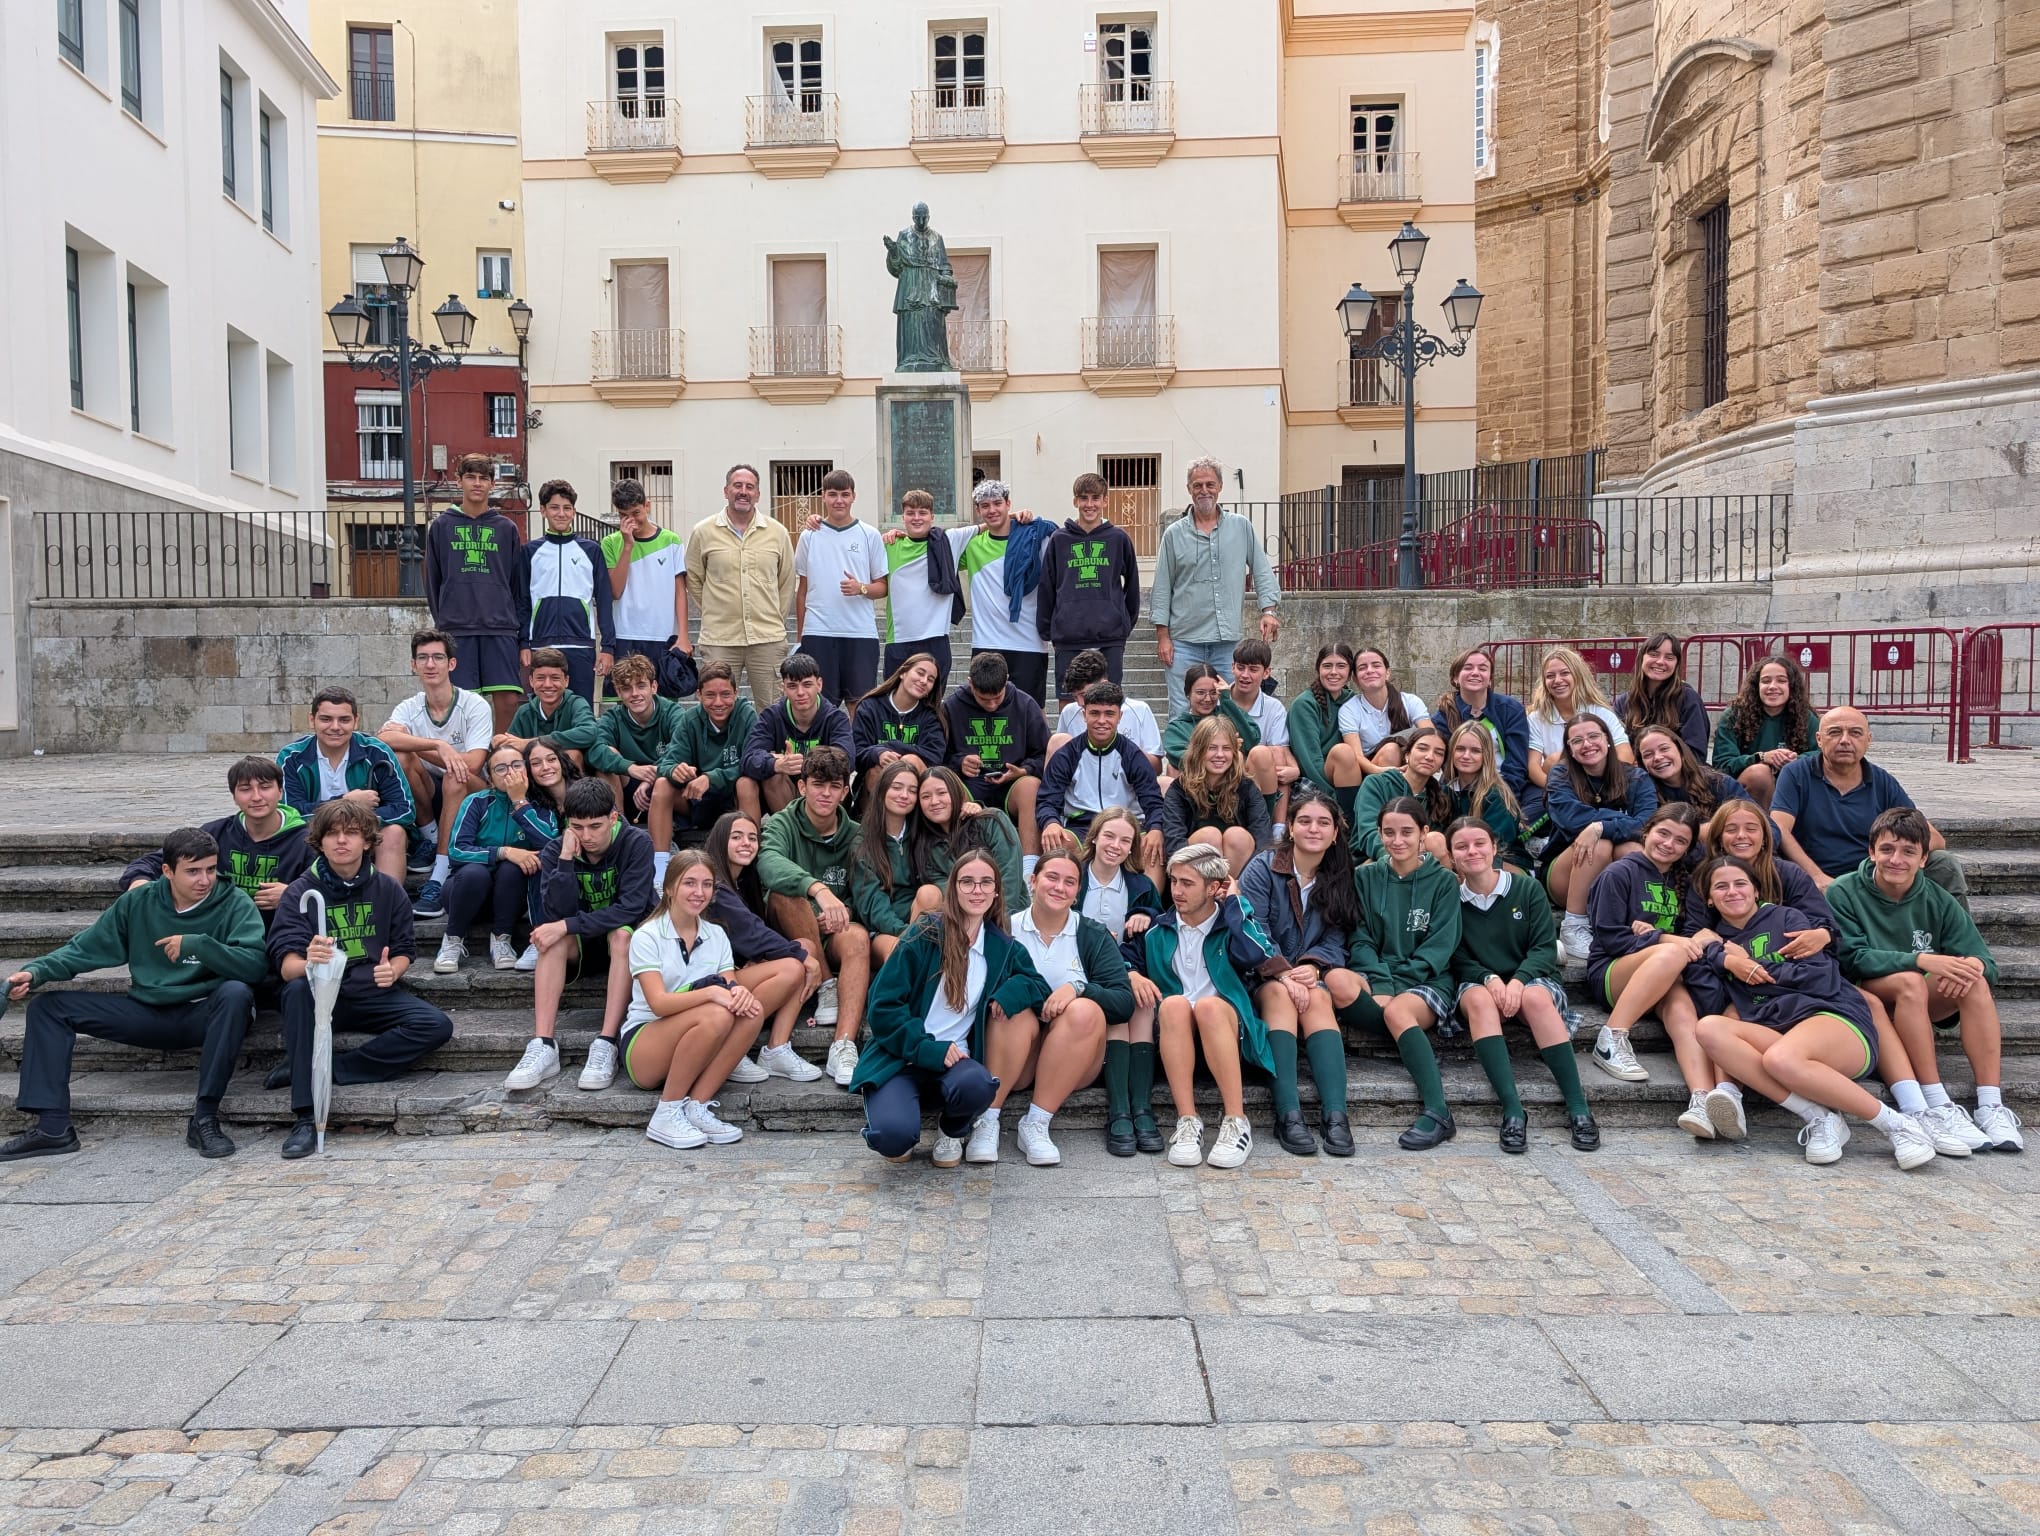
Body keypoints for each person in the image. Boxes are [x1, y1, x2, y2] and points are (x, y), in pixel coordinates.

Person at [1, 827, 264, 1163]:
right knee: (49, 1007)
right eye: (193, 871)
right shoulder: (138, 901)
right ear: (167, 871)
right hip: (147, 1013)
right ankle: (53, 1128)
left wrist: (200, 945)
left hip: (205, 1013)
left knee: (237, 993)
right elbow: (84, 949)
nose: (205, 880)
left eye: (211, 869)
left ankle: (204, 1118)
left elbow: (255, 966)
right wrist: (36, 971)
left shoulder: (234, 903)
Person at [1685, 854, 1937, 1169]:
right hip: (1778, 1034)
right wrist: (1719, 957)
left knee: (1781, 1058)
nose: (1732, 891)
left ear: (1756, 890)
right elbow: (1707, 997)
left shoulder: (1787, 919)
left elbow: (1818, 975)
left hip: (1832, 1018)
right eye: (1721, 887)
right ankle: (1820, 1117)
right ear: (1709, 898)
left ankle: (1898, 1126)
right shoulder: (1721, 945)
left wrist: (1752, 967)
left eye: (1740, 884)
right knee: (1709, 1028)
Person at [268, 801, 454, 1159]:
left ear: (368, 841)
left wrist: (394, 970)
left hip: (369, 992)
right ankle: (306, 1117)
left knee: (435, 1025)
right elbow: (286, 966)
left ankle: (329, 1068)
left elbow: (403, 950)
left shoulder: (388, 888)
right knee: (294, 991)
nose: (341, 841)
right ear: (318, 842)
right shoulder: (300, 893)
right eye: (332, 834)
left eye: (351, 833)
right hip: (320, 995)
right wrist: (309, 959)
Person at [1830, 807, 2022, 1152]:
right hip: (1865, 998)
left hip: (1918, 1003)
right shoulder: (1843, 893)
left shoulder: (1938, 898)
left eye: (1908, 852)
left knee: (1973, 981)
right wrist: (1921, 959)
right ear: (1871, 852)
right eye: (1887, 850)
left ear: (1923, 858)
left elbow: (1986, 962)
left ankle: (1991, 1104)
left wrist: (1969, 969)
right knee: (1911, 980)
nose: (1896, 860)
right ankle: (1936, 1101)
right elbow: (1852, 957)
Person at [851, 853, 1051, 1165]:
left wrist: (1009, 993)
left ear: (997, 891)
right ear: (953, 889)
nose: (977, 890)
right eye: (967, 882)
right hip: (900, 1058)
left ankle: (952, 1130)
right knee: (892, 1139)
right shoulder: (924, 934)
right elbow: (882, 1007)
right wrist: (927, 1049)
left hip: (956, 1063)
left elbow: (1038, 986)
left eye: (986, 883)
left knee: (980, 1085)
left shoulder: (1002, 946)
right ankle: (898, 1121)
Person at [1447, 815, 1600, 1153]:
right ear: (1451, 856)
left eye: (1479, 843)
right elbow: (1455, 956)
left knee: (1535, 999)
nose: (1472, 852)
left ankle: (1579, 1109)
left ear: (1494, 847)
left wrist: (1517, 981)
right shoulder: (1451, 899)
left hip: (1532, 979)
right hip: (1479, 981)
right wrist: (1488, 978)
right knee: (1479, 1000)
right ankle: (1513, 1111)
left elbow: (1544, 949)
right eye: (1461, 846)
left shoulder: (1526, 888)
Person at [624, 852, 787, 1150]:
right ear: (670, 887)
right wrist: (713, 993)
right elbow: (658, 1003)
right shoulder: (647, 935)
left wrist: (738, 991)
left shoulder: (716, 935)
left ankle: (696, 1106)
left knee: (750, 1010)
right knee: (716, 1013)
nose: (699, 893)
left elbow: (730, 982)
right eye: (689, 883)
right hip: (645, 1044)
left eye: (707, 884)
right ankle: (667, 1112)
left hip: (693, 1040)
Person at [505, 777, 656, 1094]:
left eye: (595, 826)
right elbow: (556, 913)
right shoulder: (554, 851)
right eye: (578, 827)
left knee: (622, 935)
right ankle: (543, 1044)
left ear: (613, 818)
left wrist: (566, 925)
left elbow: (630, 909)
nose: (586, 836)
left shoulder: (636, 843)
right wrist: (564, 859)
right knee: (552, 938)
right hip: (582, 948)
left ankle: (606, 1042)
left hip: (625, 948)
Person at [1579, 805, 1723, 1136]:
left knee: (1683, 1012)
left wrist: (1656, 937)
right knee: (1671, 954)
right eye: (1663, 833)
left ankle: (1701, 1100)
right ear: (1647, 832)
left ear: (1688, 848)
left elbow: (1696, 937)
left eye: (1680, 841)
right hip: (1613, 972)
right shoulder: (1618, 874)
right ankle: (1611, 1037)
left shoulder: (1686, 883)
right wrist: (1663, 940)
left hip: (1665, 973)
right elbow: (1611, 938)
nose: (1669, 844)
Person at [1235, 787, 1361, 1157]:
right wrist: (1283, 972)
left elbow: (1338, 933)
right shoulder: (1263, 867)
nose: (1314, 829)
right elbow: (1250, 928)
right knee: (1279, 995)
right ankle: (1288, 1114)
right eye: (1304, 821)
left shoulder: (1339, 873)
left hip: (1307, 975)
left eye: (1324, 823)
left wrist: (1312, 964)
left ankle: (1336, 1115)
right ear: (1290, 827)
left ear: (1336, 832)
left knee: (1320, 999)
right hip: (1259, 974)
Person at [1149, 844, 1285, 1170]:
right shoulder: (1157, 931)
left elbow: (1256, 954)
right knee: (1173, 1005)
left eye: (1187, 883)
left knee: (1208, 1006)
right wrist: (1130, 974)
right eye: (1174, 881)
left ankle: (1237, 1121)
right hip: (1176, 1034)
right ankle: (1187, 1121)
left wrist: (1235, 902)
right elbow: (1123, 962)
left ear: (1213, 888)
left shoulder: (1231, 925)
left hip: (1226, 1029)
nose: (1177, 891)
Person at [991, 850, 1130, 1165]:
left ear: (1077, 891)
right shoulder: (1005, 929)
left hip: (1071, 1057)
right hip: (1015, 1058)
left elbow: (1123, 1002)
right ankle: (988, 1117)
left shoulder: (1092, 934)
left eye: (1069, 882)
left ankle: (1037, 1123)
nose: (1059, 887)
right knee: (1009, 1005)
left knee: (1086, 1009)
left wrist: (1078, 988)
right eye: (1051, 877)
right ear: (1033, 880)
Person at [1342, 797, 1464, 1150]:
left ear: (1424, 833)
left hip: (1428, 979)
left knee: (1396, 1010)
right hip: (1377, 975)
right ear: (1379, 834)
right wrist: (1381, 982)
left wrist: (1394, 986)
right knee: (1335, 985)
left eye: (1407, 832)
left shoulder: (1443, 882)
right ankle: (1408, 1038)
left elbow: (1440, 947)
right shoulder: (1364, 876)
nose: (1398, 841)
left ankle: (1439, 1111)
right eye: (1389, 832)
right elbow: (1359, 937)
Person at [1772, 707, 1969, 907]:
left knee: (1944, 863)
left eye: (1855, 733)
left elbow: (1934, 839)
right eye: (1835, 732)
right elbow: (1779, 829)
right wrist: (1817, 877)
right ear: (1819, 739)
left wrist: (1886, 863)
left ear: (1868, 740)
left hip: (1871, 875)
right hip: (1816, 875)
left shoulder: (1882, 781)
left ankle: (1958, 935)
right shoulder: (1796, 774)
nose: (1845, 740)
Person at [759, 744, 869, 1087]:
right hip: (788, 932)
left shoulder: (856, 834)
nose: (825, 793)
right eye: (818, 784)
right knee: (787, 895)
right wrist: (818, 891)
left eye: (834, 786)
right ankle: (825, 984)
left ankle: (844, 1044)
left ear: (844, 791)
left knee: (857, 936)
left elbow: (865, 889)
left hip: (832, 931)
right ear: (802, 786)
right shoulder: (782, 823)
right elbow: (768, 864)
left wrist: (844, 909)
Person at [1151, 457, 1280, 720]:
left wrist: (1268, 609)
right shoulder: (1174, 535)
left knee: (1229, 709)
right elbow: (1162, 586)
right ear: (1189, 489)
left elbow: (1261, 568)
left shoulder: (1241, 527)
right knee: (1182, 710)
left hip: (1226, 643)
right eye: (1197, 485)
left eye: (1210, 484)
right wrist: (1162, 636)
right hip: (1184, 640)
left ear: (1220, 486)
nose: (1204, 490)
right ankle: (1184, 761)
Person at [378, 628, 494, 918]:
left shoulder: (474, 705)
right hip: (428, 793)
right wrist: (438, 746)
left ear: (451, 664)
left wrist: (427, 750)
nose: (430, 664)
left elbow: (475, 763)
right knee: (400, 756)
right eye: (423, 658)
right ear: (413, 665)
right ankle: (429, 837)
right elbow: (384, 741)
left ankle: (439, 876)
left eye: (438, 658)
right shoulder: (409, 706)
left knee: (457, 775)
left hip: (471, 794)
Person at [119, 756, 310, 932]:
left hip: (283, 932)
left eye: (265, 787)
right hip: (220, 935)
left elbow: (335, 886)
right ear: (234, 796)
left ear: (280, 791)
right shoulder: (215, 833)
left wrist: (292, 894)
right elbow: (154, 861)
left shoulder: (306, 841)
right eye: (245, 789)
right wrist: (139, 881)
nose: (256, 797)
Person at [703, 810, 823, 1083]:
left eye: (752, 837)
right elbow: (753, 932)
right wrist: (803, 957)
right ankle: (730, 1048)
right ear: (720, 841)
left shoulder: (744, 881)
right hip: (712, 980)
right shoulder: (715, 886)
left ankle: (776, 1049)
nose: (747, 843)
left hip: (737, 972)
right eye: (737, 837)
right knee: (796, 962)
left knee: (804, 946)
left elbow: (760, 931)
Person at [1079, 807, 1167, 1154]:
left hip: (1126, 969)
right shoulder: (1074, 878)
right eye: (1110, 836)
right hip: (1082, 972)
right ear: (1095, 837)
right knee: (1120, 1004)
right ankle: (1118, 1110)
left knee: (1142, 1006)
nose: (1115, 845)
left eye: (1125, 840)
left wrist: (1146, 914)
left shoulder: (1140, 885)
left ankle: (1141, 1109)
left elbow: (1160, 928)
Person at [1546, 715, 1659, 972]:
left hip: (1613, 873)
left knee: (1632, 849)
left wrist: (1600, 826)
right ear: (1570, 750)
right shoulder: (1561, 775)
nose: (1587, 744)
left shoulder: (1636, 778)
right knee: (1600, 844)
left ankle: (1634, 924)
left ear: (1607, 739)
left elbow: (1648, 825)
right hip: (1566, 873)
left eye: (1593, 736)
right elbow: (1570, 819)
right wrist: (1619, 823)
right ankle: (1573, 925)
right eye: (1577, 740)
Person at [435, 741, 557, 974]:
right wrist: (503, 852)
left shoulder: (540, 805)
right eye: (500, 768)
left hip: (512, 899)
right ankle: (452, 940)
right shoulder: (477, 802)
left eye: (516, 765)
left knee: (513, 869)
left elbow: (549, 846)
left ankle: (502, 939)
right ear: (490, 778)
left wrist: (519, 802)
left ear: (526, 770)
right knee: (475, 872)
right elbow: (456, 850)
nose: (510, 772)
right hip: (466, 893)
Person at [424, 453, 526, 733]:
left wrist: (520, 632)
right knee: (462, 703)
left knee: (507, 701)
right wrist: (445, 618)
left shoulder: (506, 528)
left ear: (492, 484)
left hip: (500, 627)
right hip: (457, 627)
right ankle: (470, 763)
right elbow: (433, 579)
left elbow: (517, 583)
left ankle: (500, 760)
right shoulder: (443, 526)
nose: (477, 483)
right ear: (459, 481)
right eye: (470, 477)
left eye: (484, 478)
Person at [277, 685, 414, 886]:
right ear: (311, 719)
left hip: (366, 834)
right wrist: (345, 803)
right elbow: (291, 812)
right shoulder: (291, 757)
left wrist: (355, 825)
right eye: (326, 719)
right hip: (315, 834)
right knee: (299, 835)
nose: (335, 727)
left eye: (344, 719)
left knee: (394, 833)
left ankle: (388, 906)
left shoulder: (376, 752)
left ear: (356, 721)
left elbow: (405, 810)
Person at [685, 463, 796, 707]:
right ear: (726, 491)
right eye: (737, 486)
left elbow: (786, 581)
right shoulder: (703, 532)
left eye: (750, 487)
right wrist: (714, 609)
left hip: (767, 638)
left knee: (772, 708)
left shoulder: (777, 533)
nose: (743, 491)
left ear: (758, 494)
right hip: (720, 638)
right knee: (717, 707)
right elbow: (694, 578)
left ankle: (770, 748)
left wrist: (774, 617)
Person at [648, 660, 757, 884]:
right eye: (710, 695)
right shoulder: (690, 719)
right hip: (696, 798)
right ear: (698, 695)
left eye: (726, 694)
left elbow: (753, 762)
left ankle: (754, 861)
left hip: (734, 799)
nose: (718, 702)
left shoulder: (747, 715)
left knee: (747, 782)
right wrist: (675, 770)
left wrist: (711, 777)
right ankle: (660, 867)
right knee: (662, 784)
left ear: (736, 693)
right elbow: (666, 762)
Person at [1038, 680, 1167, 866]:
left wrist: (1155, 828)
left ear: (1120, 716)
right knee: (1058, 842)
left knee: (1153, 849)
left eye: (1109, 714)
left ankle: (1147, 895)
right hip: (1082, 826)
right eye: (1094, 713)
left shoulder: (1132, 755)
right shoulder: (1067, 754)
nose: (1101, 721)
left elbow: (1153, 801)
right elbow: (1047, 799)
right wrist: (1051, 821)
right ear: (1084, 714)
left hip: (1127, 824)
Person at [791, 469, 890, 707]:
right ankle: (822, 748)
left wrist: (861, 588)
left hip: (859, 633)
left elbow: (883, 587)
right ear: (823, 496)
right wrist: (801, 637)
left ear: (853, 496)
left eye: (845, 494)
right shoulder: (809, 536)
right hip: (819, 632)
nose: (839, 500)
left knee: (860, 704)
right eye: (833, 494)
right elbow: (802, 590)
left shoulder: (869, 535)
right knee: (820, 706)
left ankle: (860, 747)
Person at [515, 478, 617, 705]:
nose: (561, 513)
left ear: (574, 511)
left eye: (567, 508)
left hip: (581, 645)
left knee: (581, 710)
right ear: (542, 511)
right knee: (541, 711)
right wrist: (523, 643)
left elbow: (603, 599)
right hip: (540, 644)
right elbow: (522, 601)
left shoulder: (591, 550)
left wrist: (607, 647)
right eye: (554, 507)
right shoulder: (530, 552)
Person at [1037, 471, 1140, 691]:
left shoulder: (1118, 538)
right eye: (1083, 498)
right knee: (1069, 701)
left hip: (1110, 637)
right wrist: (1049, 629)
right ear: (1075, 501)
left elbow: (1132, 584)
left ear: (1105, 500)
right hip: (1069, 636)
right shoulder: (1059, 539)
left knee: (1108, 701)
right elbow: (1047, 586)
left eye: (1095, 498)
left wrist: (1122, 623)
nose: (1089, 504)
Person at [955, 480, 1053, 705]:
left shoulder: (1035, 539)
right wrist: (897, 534)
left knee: (1032, 711)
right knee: (984, 712)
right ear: (978, 511)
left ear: (1008, 504)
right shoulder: (972, 546)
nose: (992, 510)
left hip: (1029, 641)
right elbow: (936, 545)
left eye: (998, 503)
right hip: (987, 642)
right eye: (985, 505)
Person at [942, 651, 1048, 858]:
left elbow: (1045, 754)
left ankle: (1029, 866)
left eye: (997, 698)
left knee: (1031, 786)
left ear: (1007, 681)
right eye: (983, 699)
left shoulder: (1025, 705)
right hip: (968, 785)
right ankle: (954, 859)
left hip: (1011, 786)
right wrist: (959, 762)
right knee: (945, 783)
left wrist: (1024, 770)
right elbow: (936, 756)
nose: (991, 705)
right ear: (970, 683)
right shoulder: (952, 706)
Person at [601, 477, 691, 696]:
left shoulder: (671, 540)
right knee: (623, 704)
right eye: (624, 515)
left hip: (663, 636)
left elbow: (680, 591)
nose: (631, 520)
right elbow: (615, 590)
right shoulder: (610, 543)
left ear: (647, 506)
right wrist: (628, 546)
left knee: (664, 704)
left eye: (636, 513)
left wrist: (684, 636)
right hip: (625, 635)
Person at [1524, 646, 1631, 826]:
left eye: (1565, 673)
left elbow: (1625, 756)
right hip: (1556, 788)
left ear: (1577, 675)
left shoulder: (1600, 712)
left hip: (1599, 786)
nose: (1557, 680)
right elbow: (1533, 767)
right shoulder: (1536, 717)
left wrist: (1594, 786)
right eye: (1550, 676)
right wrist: (1560, 791)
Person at [741, 651, 855, 817]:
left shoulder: (835, 718)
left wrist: (803, 764)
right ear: (783, 688)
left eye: (807, 684)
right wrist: (777, 764)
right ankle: (788, 833)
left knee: (831, 777)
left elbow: (848, 759)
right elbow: (748, 759)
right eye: (792, 686)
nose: (800, 692)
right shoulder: (771, 716)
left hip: (823, 788)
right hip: (784, 793)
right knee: (771, 773)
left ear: (819, 684)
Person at [1161, 715, 1272, 873]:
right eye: (1212, 748)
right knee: (1210, 836)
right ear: (1198, 751)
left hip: (1240, 873)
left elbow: (1263, 839)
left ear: (1234, 752)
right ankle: (1208, 894)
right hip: (1194, 873)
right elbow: (1174, 842)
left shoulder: (1246, 787)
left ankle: (1232, 893)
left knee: (1237, 836)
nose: (1220, 755)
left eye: (1226, 748)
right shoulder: (1180, 789)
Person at [586, 652, 685, 826]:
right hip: (628, 788)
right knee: (607, 756)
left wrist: (651, 776)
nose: (634, 694)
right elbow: (595, 750)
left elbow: (682, 749)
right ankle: (620, 828)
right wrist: (630, 768)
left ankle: (671, 830)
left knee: (674, 773)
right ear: (618, 692)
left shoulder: (673, 713)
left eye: (641, 686)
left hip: (664, 786)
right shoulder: (612, 718)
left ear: (653, 687)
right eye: (626, 688)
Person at [915, 766, 1029, 915]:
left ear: (956, 792)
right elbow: (947, 891)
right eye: (925, 797)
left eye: (942, 793)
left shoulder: (991, 821)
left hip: (1007, 915)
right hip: (963, 920)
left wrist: (997, 921)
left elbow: (1010, 874)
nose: (934, 801)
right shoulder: (926, 845)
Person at [1711, 654, 1819, 809]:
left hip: (1792, 787)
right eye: (1766, 681)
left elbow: (1822, 754)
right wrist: (1761, 758)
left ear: (1791, 686)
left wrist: (1794, 760)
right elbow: (1722, 764)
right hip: (1742, 795)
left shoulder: (1805, 717)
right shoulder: (1734, 715)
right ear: (1756, 686)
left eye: (1781, 680)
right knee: (1760, 774)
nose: (1772, 686)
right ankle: (1764, 829)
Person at [877, 490, 961, 690]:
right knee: (893, 703)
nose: (916, 518)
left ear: (932, 516)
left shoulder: (951, 542)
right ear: (902, 517)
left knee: (933, 707)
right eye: (910, 513)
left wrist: (1020, 515)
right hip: (899, 641)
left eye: (922, 512)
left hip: (936, 640)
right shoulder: (889, 545)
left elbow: (991, 524)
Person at [851, 759, 931, 963]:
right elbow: (872, 903)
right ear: (882, 790)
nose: (904, 795)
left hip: (923, 920)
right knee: (899, 953)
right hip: (883, 930)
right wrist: (904, 933)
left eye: (912, 790)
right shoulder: (864, 841)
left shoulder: (924, 834)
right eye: (897, 787)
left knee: (929, 893)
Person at [1432, 647, 1532, 798]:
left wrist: (1504, 797)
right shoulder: (1444, 715)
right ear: (1455, 678)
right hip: (1461, 790)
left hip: (1503, 787)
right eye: (1468, 667)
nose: (1475, 672)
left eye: (1483, 668)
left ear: (1490, 679)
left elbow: (1516, 762)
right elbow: (1447, 765)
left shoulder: (1510, 709)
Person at [1351, 722, 1454, 863]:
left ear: (1440, 766)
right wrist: (1393, 858)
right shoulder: (1377, 784)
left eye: (1438, 753)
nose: (1430, 757)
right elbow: (1368, 831)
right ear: (1407, 755)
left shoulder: (1440, 798)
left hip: (1420, 863)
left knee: (1435, 840)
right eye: (1422, 749)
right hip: (1373, 860)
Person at [851, 651, 947, 802]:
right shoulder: (870, 707)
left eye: (930, 679)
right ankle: (872, 823)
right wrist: (878, 754)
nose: (923, 681)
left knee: (912, 760)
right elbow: (856, 753)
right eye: (920, 673)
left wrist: (892, 747)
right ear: (903, 673)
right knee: (879, 768)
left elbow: (935, 757)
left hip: (916, 786)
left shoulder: (931, 716)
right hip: (872, 789)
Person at [1048, 649, 1162, 776]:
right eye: (1075, 697)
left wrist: (1125, 749)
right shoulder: (1069, 712)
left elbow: (1157, 768)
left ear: (1105, 684)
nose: (1080, 703)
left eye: (1084, 694)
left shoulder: (1140, 710)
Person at [1227, 639, 1297, 830]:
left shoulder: (1274, 708)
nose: (1245, 675)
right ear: (1232, 667)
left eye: (1253, 669)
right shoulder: (1219, 701)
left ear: (1266, 673)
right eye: (1240, 668)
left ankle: (1278, 827)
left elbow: (1281, 749)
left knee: (1274, 752)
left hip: (1262, 771)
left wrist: (1295, 769)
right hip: (1227, 768)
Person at [1441, 722, 1526, 870]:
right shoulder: (1444, 791)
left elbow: (1498, 846)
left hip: (1503, 863)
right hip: (1460, 860)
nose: (1466, 756)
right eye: (1460, 749)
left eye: (1475, 751)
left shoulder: (1495, 795)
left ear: (1486, 755)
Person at [1633, 724, 1748, 831]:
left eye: (1664, 749)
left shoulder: (1720, 783)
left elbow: (1756, 820)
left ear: (1680, 750)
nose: (1657, 757)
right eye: (1648, 755)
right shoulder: (1644, 794)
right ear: (1642, 763)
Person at [495, 648, 599, 765]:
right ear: (531, 681)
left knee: (572, 754)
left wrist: (534, 742)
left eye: (555, 678)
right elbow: (512, 744)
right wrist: (501, 742)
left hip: (571, 775)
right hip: (534, 774)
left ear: (566, 681)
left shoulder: (576, 704)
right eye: (540, 678)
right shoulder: (524, 712)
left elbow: (589, 733)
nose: (548, 685)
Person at [1615, 633, 1709, 760]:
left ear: (1677, 664)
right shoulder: (1624, 702)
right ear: (1641, 658)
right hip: (1634, 776)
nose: (1660, 662)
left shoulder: (1689, 700)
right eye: (1654, 654)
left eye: (1669, 657)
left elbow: (1696, 754)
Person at [1340, 646, 1431, 775]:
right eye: (1362, 668)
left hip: (1410, 766)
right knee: (1390, 751)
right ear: (1355, 679)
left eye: (1376, 665)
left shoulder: (1411, 701)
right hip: (1371, 771)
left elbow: (1430, 736)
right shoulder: (1349, 710)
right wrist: (1381, 770)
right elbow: (1356, 756)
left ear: (1387, 673)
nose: (1370, 670)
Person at [1287, 642, 1356, 801]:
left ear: (1350, 671)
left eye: (1341, 666)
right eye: (1327, 666)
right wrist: (1332, 799)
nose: (1333, 672)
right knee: (1342, 753)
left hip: (1350, 777)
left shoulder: (1354, 701)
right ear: (1318, 669)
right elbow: (1310, 762)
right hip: (1317, 782)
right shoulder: (1304, 704)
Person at [1161, 663, 1262, 771]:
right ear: (1188, 694)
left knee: (1261, 753)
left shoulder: (1229, 712)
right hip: (1195, 782)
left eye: (1213, 693)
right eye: (1200, 692)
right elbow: (1180, 759)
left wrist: (1226, 699)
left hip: (1235, 778)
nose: (1208, 699)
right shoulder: (1177, 728)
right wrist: (1228, 747)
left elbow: (1252, 740)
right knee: (1171, 769)